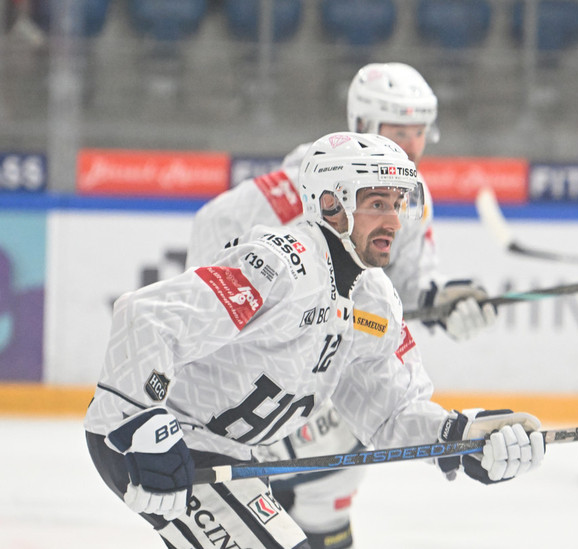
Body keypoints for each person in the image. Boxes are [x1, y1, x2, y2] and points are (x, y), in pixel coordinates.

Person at [83, 132, 544, 549]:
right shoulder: (280, 265)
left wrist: (462, 436)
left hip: (226, 453)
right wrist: (140, 423)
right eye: (377, 203)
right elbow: (146, 315)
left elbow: (391, 412)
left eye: (398, 204)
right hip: (152, 438)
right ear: (331, 206)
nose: (394, 222)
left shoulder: (375, 302)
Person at [185, 62, 496, 548]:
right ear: (363, 124)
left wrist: (441, 299)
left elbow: (406, 280)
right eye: (399, 132)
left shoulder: (409, 193)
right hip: (265, 380)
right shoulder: (299, 186)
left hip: (333, 373)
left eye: (419, 132)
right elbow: (212, 232)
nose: (412, 147)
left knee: (331, 489)